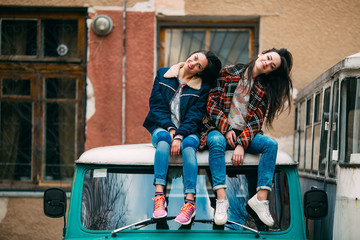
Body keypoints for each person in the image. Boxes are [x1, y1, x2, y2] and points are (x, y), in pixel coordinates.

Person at [199, 48, 293, 227]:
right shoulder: (228, 72)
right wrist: (226, 129)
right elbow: (212, 103)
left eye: (271, 66)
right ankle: (221, 200)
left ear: (270, 72)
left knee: (270, 144)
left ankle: (261, 200)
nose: (267, 64)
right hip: (218, 131)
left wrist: (242, 144)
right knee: (217, 142)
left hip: (245, 138)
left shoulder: (262, 89)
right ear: (261, 54)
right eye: (268, 58)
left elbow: (257, 120)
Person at [143, 50, 222, 225]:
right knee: (164, 141)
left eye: (198, 65)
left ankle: (190, 202)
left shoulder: (203, 88)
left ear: (200, 72)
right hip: (162, 128)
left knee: (188, 145)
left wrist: (179, 135)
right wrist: (172, 131)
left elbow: (194, 117)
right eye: (194, 57)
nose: (192, 63)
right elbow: (156, 107)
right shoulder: (163, 74)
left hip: (189, 131)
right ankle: (159, 197)